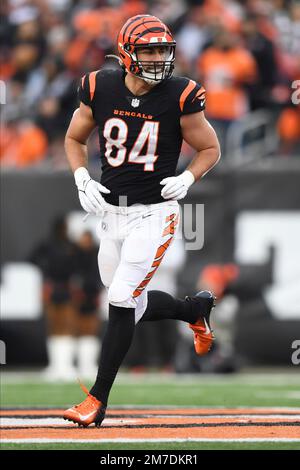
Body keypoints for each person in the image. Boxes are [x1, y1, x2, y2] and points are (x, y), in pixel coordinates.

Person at [63, 14, 220, 428]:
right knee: (124, 299)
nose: (157, 59)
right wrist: (81, 177)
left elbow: (209, 148)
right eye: (148, 50)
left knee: (120, 300)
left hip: (154, 213)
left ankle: (96, 399)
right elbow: (75, 138)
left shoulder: (180, 95)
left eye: (162, 51)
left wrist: (188, 176)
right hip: (111, 212)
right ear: (126, 55)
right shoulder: (99, 85)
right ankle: (194, 309)